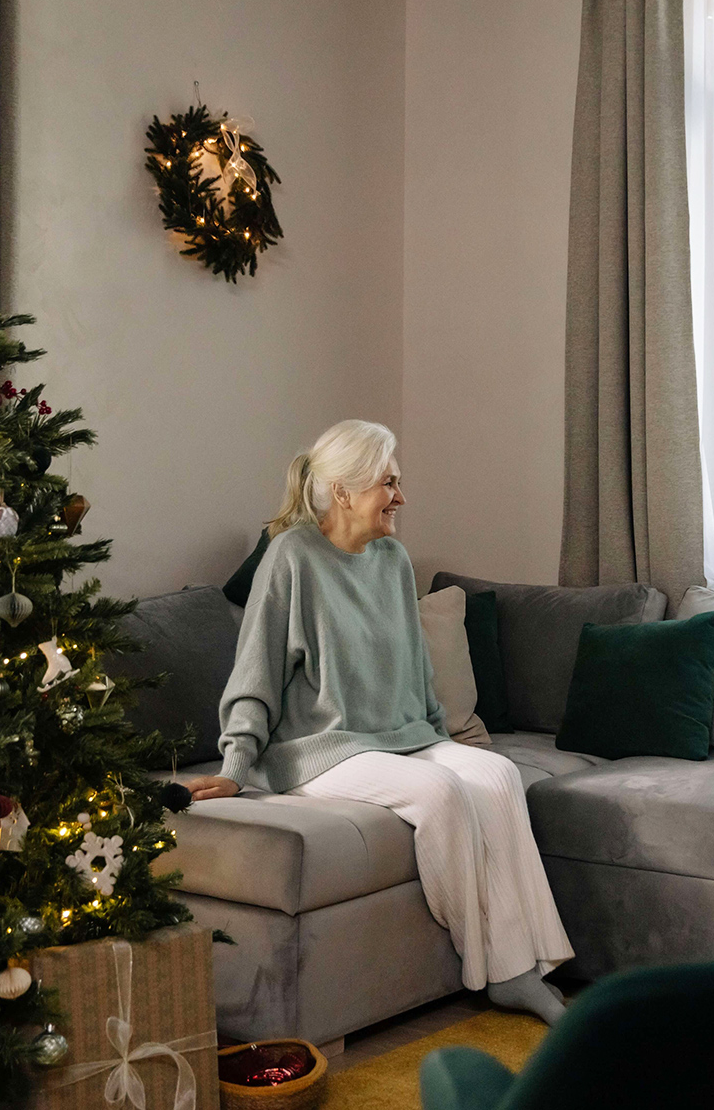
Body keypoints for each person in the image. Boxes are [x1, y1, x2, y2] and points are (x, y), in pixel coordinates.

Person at [183, 420, 575, 1023]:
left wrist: (442, 735)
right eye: (389, 483)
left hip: (400, 738)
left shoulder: (392, 559)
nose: (401, 496)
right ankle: (505, 971)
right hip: (318, 750)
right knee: (441, 792)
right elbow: (254, 673)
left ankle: (535, 964)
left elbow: (416, 668)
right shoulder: (291, 558)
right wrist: (237, 765)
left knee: (496, 775)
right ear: (343, 491)